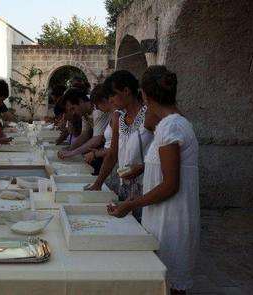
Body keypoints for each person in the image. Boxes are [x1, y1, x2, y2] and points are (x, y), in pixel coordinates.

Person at [107, 65, 200, 295]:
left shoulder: (170, 126)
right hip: (163, 217)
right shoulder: (174, 123)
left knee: (168, 283)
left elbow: (170, 184)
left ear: (145, 96)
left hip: (171, 220)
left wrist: (130, 204)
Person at [87, 71, 154, 221]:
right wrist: (98, 183)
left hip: (147, 186)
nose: (111, 100)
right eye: (109, 96)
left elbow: (163, 155)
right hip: (125, 187)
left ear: (126, 91)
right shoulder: (119, 118)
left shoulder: (150, 115)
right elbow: (112, 154)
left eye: (113, 95)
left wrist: (143, 167)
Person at [82, 84, 121, 193]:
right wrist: (100, 151)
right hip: (109, 164)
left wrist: (96, 154)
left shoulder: (117, 116)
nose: (97, 108)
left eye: (97, 105)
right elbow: (111, 145)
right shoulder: (113, 115)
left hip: (115, 165)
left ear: (104, 100)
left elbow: (116, 150)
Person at [57, 88, 111, 161]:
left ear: (80, 101)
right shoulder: (84, 111)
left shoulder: (98, 109)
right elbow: (84, 135)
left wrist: (72, 152)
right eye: (70, 110)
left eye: (73, 108)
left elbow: (97, 140)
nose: (73, 113)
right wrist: (69, 149)